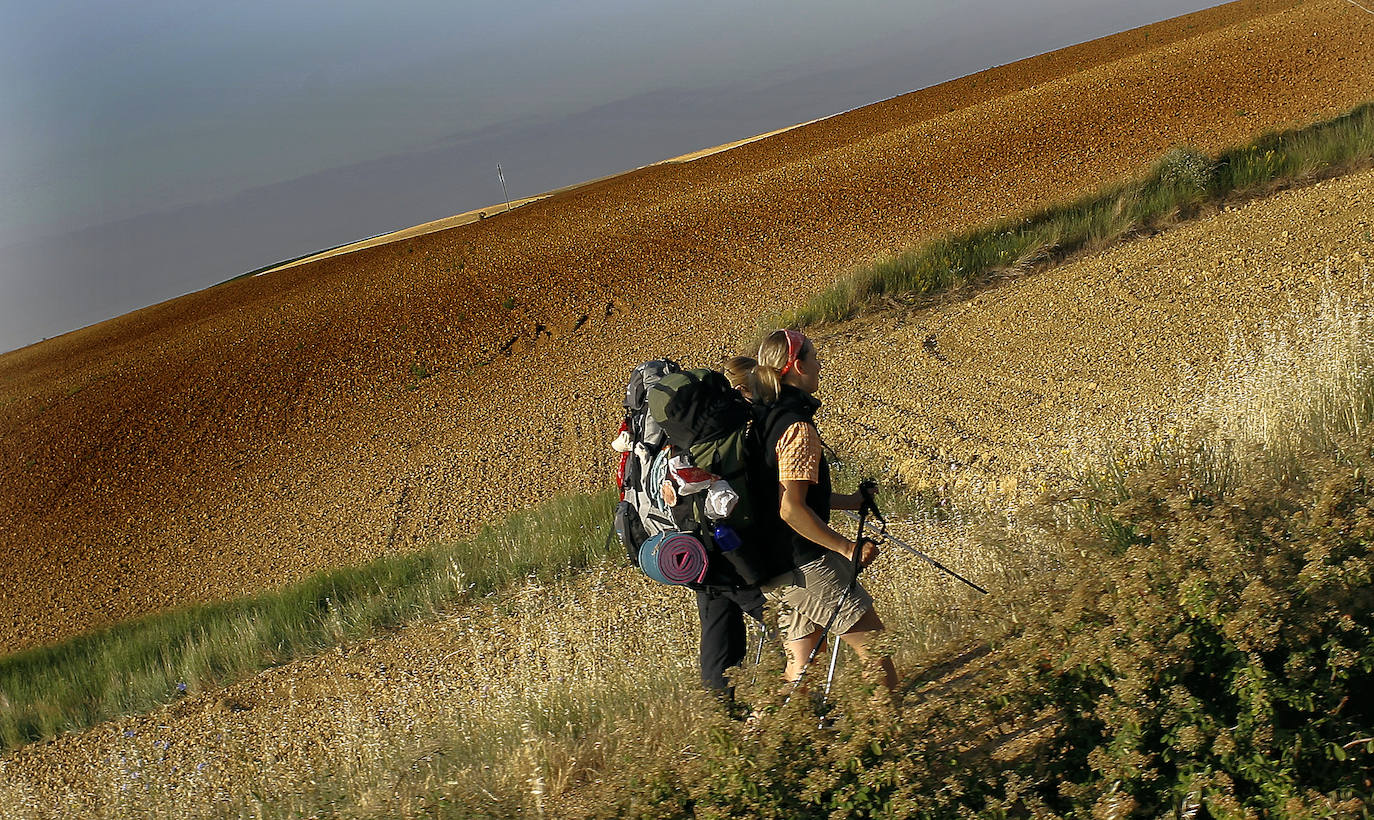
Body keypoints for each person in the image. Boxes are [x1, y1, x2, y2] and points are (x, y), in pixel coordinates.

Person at [749, 329, 898, 692]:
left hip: (773, 567)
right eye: (814, 357)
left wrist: (849, 502)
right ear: (797, 366)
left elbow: (788, 494)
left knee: (802, 669)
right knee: (876, 652)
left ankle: (761, 744)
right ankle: (890, 740)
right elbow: (791, 509)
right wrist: (848, 549)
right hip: (806, 565)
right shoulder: (797, 427)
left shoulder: (766, 419)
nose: (819, 365)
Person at [693, 355, 767, 706]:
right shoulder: (739, 431)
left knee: (718, 642)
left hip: (700, 554)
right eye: (759, 386)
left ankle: (723, 722)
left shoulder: (696, 434)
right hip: (733, 554)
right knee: (791, 626)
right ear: (740, 389)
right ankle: (790, 713)